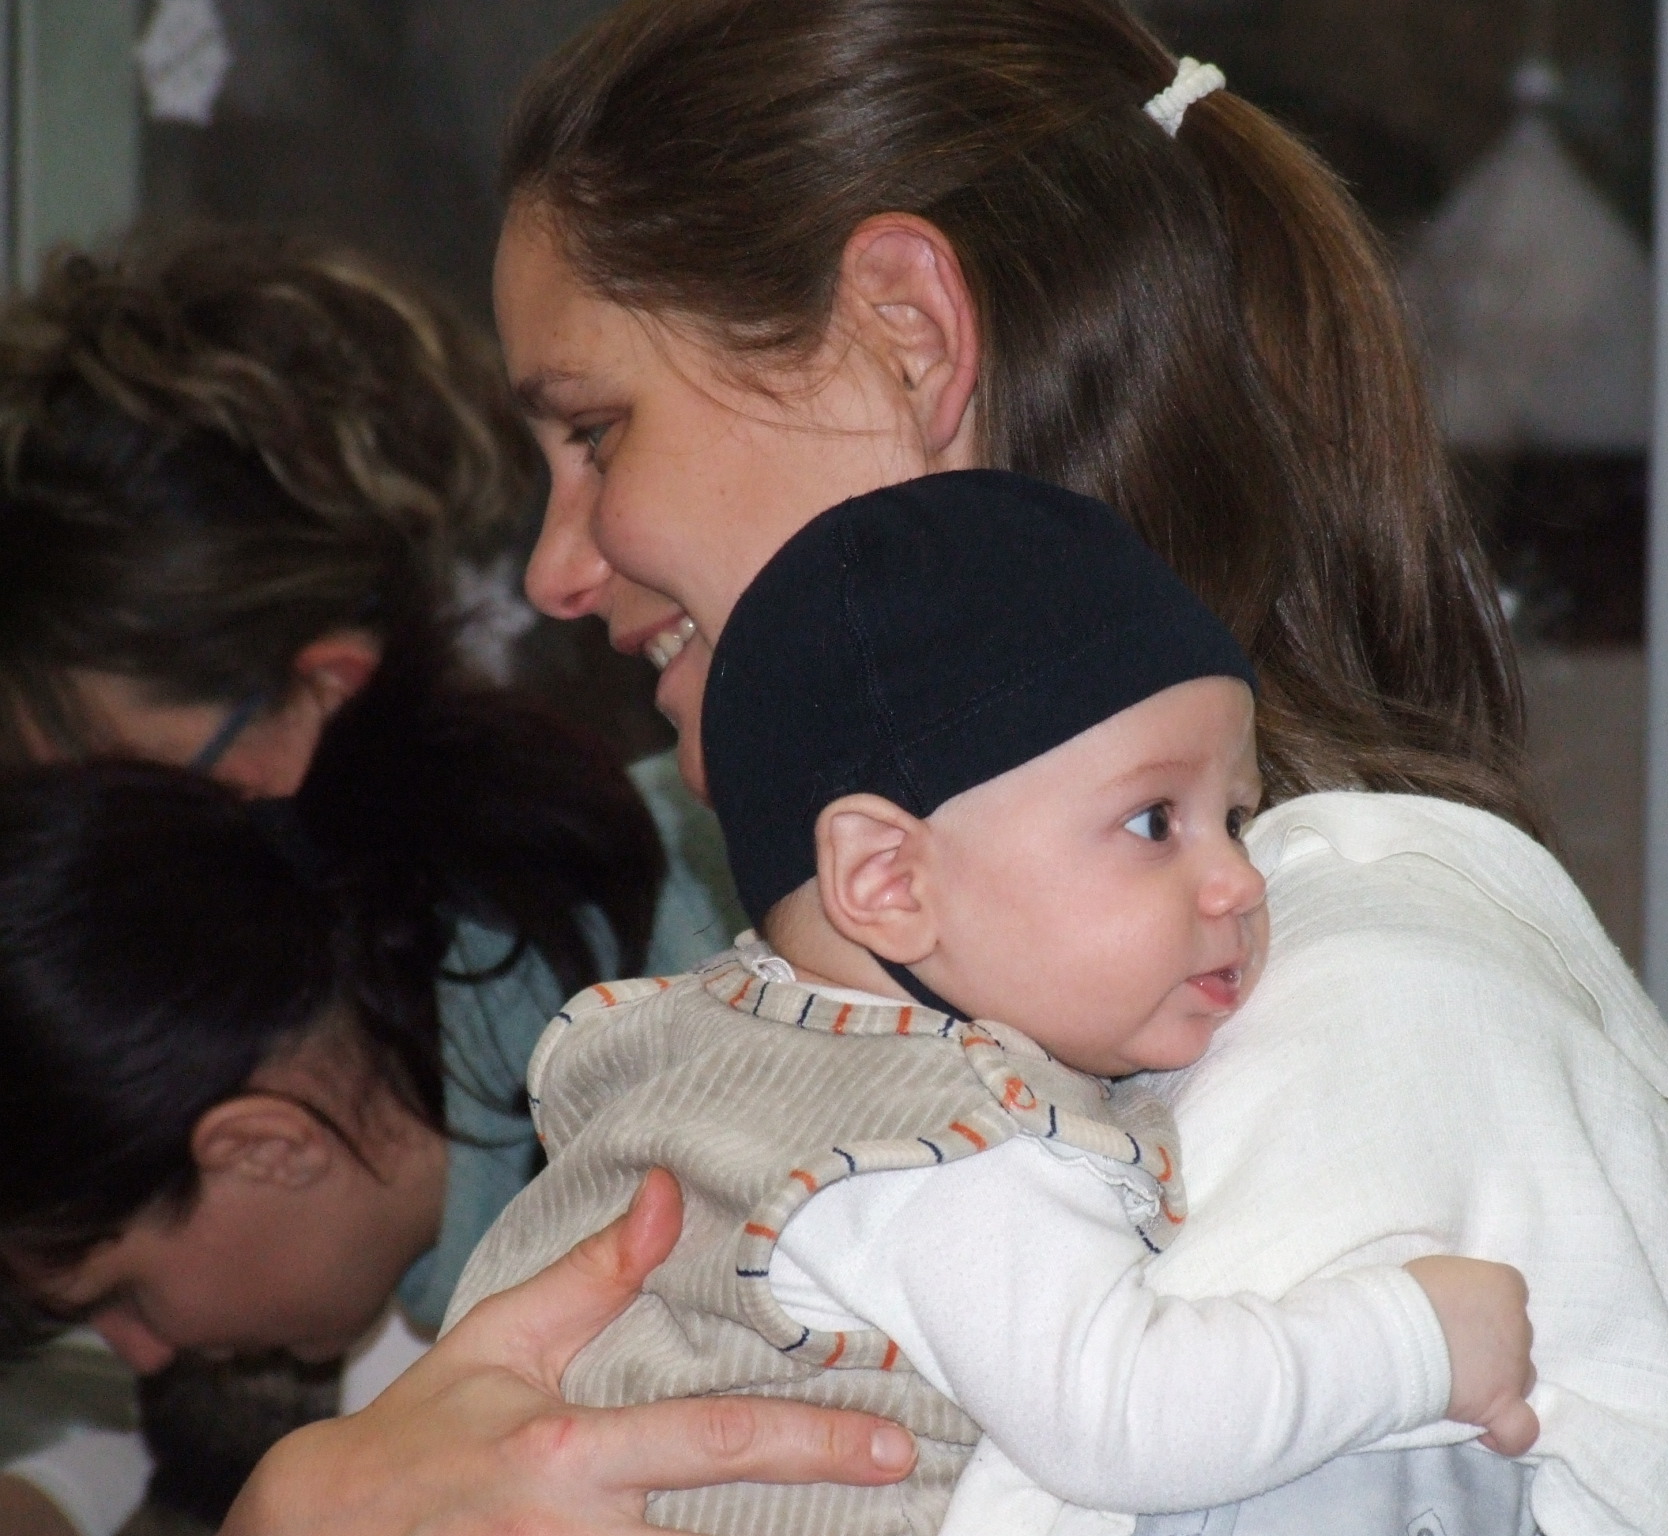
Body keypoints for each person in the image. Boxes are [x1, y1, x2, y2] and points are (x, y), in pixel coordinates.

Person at [222, 1, 1668, 1527]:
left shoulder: (1352, 1042)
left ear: (907, 338)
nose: (556, 570)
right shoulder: (898, 1002)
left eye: (597, 433)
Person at [447, 471, 1540, 1536]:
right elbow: (1127, 1418)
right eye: (1154, 822)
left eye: (1237, 820)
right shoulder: (937, 1148)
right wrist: (1418, 1338)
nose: (1240, 884)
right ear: (889, 881)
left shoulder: (698, 1054)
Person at [0, 229, 749, 1535]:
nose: (100, 874)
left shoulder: (672, 1031)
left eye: (134, 794)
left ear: (326, 694)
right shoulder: (434, 1153)